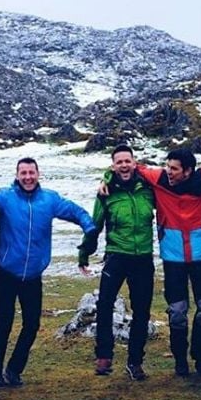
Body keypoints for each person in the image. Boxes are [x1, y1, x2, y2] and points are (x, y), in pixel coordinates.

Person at [103, 147, 201, 377]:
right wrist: (106, 177)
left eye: (174, 168)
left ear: (188, 171)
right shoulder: (158, 178)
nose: (169, 171)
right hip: (173, 259)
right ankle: (180, 360)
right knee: (177, 312)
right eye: (168, 166)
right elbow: (125, 167)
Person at [0, 157, 96, 387]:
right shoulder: (4, 197)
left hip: (33, 275)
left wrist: (90, 228)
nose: (27, 177)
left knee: (32, 324)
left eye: (31, 173)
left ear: (38, 174)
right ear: (17, 175)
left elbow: (75, 211)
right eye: (23, 173)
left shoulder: (49, 199)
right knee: (4, 323)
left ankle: (14, 370)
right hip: (6, 271)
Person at [78, 144, 155, 380]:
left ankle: (135, 362)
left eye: (127, 161)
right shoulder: (106, 192)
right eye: (119, 162)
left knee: (142, 311)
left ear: (134, 163)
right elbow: (95, 225)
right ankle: (104, 356)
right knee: (105, 304)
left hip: (143, 256)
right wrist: (84, 254)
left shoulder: (148, 188)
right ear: (113, 165)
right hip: (116, 254)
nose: (124, 165)